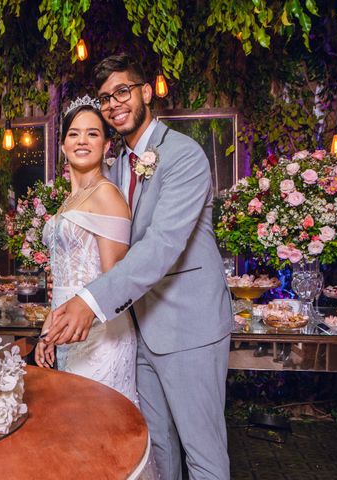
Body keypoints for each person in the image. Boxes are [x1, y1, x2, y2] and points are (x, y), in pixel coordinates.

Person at [43, 53, 234, 480]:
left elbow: (162, 246)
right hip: (138, 328)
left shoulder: (183, 156)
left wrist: (89, 302)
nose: (114, 104)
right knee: (156, 446)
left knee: (201, 452)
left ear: (146, 92)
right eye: (106, 98)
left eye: (123, 91)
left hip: (188, 327)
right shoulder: (116, 166)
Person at [35, 96, 139, 404]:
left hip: (101, 336)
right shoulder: (69, 201)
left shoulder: (107, 195)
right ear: (64, 145)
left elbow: (116, 281)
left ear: (107, 145)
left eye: (93, 133)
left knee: (99, 427)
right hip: (66, 331)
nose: (82, 140)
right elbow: (64, 276)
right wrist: (48, 331)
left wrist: (70, 322)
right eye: (74, 133)